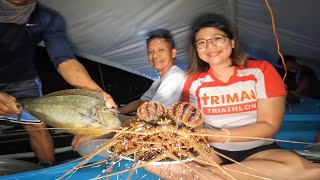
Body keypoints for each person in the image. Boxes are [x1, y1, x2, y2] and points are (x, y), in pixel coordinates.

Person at [145, 14, 320, 179]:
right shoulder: (193, 81)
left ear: (233, 41)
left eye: (217, 39)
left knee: (312, 172)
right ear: (196, 49)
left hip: (259, 150)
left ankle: (206, 175)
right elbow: (196, 125)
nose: (210, 46)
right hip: (212, 152)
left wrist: (217, 135)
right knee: (150, 157)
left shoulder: (260, 70)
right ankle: (227, 174)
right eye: (202, 42)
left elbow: (269, 126)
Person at [0, 0, 117, 167]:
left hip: (23, 78)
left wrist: (99, 95)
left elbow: (64, 60)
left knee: (38, 128)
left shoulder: (47, 19)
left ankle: (47, 167)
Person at [71, 29, 186, 150]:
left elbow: (150, 117)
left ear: (173, 53)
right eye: (150, 51)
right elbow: (140, 102)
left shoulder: (175, 77)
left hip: (165, 136)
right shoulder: (160, 79)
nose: (155, 55)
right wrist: (117, 111)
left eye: (161, 50)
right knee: (96, 119)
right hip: (151, 126)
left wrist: (99, 134)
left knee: (89, 143)